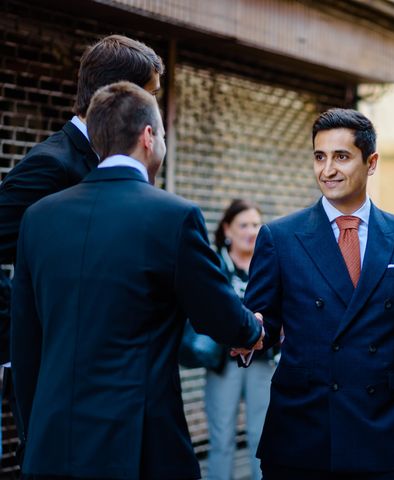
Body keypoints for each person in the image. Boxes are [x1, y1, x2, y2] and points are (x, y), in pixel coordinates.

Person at [10, 81, 263, 479]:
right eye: (162, 134)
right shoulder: (172, 216)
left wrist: (33, 436)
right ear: (148, 137)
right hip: (139, 447)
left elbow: (23, 344)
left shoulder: (38, 218)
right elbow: (219, 314)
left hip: (51, 445)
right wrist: (252, 330)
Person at [241, 108, 394, 480]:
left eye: (341, 157)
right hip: (301, 430)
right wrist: (245, 333)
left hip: (378, 430)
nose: (327, 170)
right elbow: (260, 322)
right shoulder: (279, 237)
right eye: (319, 157)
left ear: (371, 162)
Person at [0, 34, 164, 457]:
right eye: (151, 96)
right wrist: (23, 319)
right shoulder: (50, 165)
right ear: (120, 96)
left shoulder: (117, 164)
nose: (156, 111)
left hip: (114, 390)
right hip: (60, 391)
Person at [203, 199, 274, 480]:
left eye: (256, 224)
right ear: (227, 229)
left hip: (262, 359)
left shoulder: (268, 262)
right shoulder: (214, 263)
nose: (251, 231)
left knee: (262, 436)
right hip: (223, 360)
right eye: (243, 225)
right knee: (222, 437)